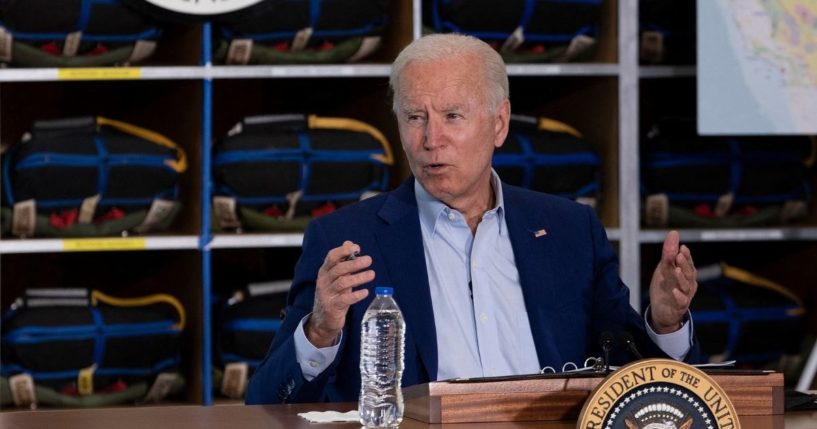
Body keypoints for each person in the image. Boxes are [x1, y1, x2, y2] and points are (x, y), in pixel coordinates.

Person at [245, 33, 698, 405]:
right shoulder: (346, 239)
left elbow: (631, 377)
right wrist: (320, 331)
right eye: (415, 117)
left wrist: (665, 323)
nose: (430, 139)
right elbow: (266, 404)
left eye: (452, 116)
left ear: (499, 123)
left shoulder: (570, 230)